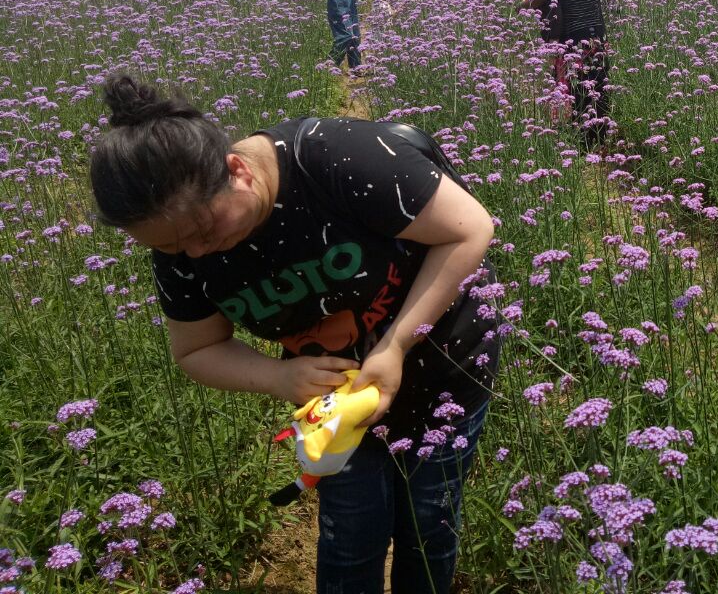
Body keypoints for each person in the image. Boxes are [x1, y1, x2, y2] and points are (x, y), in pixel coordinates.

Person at [89, 75, 500, 594]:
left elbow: (470, 228)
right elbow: (195, 348)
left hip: (444, 364)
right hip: (337, 404)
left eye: (202, 232)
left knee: (428, 526)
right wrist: (278, 377)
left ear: (236, 171)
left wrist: (396, 345)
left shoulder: (334, 159)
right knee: (351, 539)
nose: (195, 254)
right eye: (173, 248)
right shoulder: (180, 241)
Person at [544, 0, 611, 139]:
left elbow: (556, 16)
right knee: (599, 84)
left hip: (575, 42)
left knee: (579, 91)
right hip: (597, 38)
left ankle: (584, 137)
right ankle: (601, 134)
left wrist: (552, 46)